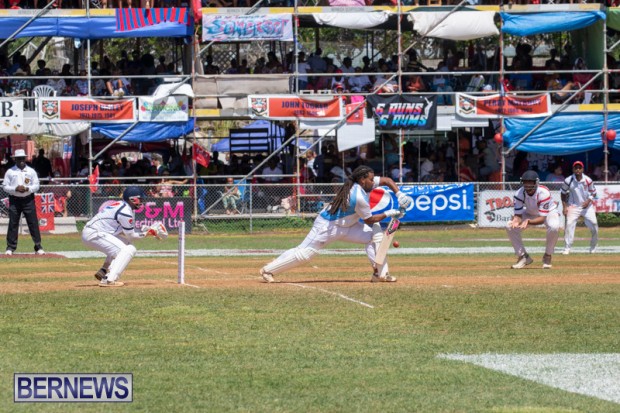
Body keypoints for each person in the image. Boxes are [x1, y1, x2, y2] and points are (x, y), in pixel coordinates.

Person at [259, 165, 413, 283]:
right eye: (371, 180)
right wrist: (390, 213)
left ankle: (380, 273)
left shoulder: (364, 184)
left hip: (349, 226)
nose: (374, 183)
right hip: (328, 226)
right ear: (362, 180)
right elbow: (369, 220)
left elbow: (387, 180)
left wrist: (399, 194)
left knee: (374, 236)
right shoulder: (358, 196)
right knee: (304, 254)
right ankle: (268, 270)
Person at [81, 186, 156, 287]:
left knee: (126, 244)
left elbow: (125, 232)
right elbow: (131, 236)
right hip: (94, 233)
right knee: (129, 250)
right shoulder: (125, 211)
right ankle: (109, 280)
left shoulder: (122, 205)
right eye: (140, 199)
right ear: (132, 199)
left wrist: (144, 230)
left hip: (94, 232)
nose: (142, 202)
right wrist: (148, 233)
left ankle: (104, 270)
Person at [506, 170, 560, 270]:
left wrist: (529, 221)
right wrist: (516, 220)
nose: (527, 186)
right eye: (525, 182)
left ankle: (548, 255)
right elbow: (518, 215)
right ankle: (523, 257)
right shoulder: (519, 193)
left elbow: (542, 218)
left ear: (536, 183)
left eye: (530, 182)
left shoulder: (544, 192)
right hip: (530, 212)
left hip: (549, 212)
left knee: (554, 227)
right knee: (509, 226)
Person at [3, 149, 45, 255]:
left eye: (22, 158)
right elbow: (4, 186)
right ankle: (10, 248)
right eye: (19, 158)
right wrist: (15, 189)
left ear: (25, 159)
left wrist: (28, 189)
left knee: (33, 223)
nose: (21, 160)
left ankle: (38, 246)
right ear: (15, 159)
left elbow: (37, 185)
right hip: (14, 200)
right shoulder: (10, 171)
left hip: (28, 200)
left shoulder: (31, 171)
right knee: (13, 224)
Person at [560, 161, 598, 255]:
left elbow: (593, 193)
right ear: (573, 169)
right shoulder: (568, 180)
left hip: (587, 207)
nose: (577, 170)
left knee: (594, 224)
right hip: (573, 206)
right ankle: (567, 248)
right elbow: (563, 193)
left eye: (579, 168)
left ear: (582, 169)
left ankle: (593, 247)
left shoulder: (588, 180)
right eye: (576, 168)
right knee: (569, 225)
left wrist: (588, 201)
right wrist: (564, 207)